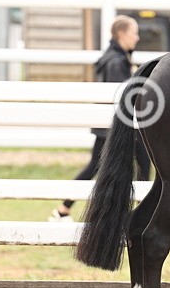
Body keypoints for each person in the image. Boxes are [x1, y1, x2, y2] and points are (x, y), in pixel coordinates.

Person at [49, 15, 151, 221]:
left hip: (109, 124)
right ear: (121, 34)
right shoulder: (115, 61)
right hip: (116, 124)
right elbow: (121, 93)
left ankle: (63, 209)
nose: (137, 37)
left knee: (97, 166)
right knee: (143, 161)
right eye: (134, 33)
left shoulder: (118, 57)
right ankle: (143, 213)